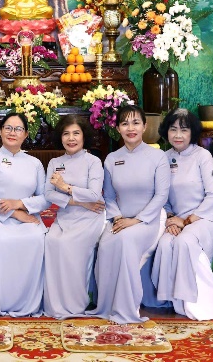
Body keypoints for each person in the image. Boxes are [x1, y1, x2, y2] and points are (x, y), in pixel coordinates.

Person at [88, 105, 170, 323]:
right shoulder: (111, 159)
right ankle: (105, 306)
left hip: (148, 221)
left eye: (135, 123)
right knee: (106, 244)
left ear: (144, 126)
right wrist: (117, 217)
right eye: (125, 123)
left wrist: (136, 220)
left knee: (125, 241)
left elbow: (161, 195)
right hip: (120, 220)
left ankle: (127, 309)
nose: (130, 128)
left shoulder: (158, 157)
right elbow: (109, 196)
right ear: (118, 129)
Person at [151, 108, 213, 320]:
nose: (178, 135)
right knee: (165, 243)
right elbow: (162, 196)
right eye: (173, 129)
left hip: (207, 214)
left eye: (184, 130)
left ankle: (193, 300)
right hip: (178, 218)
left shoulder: (202, 156)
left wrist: (186, 221)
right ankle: (173, 300)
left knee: (184, 242)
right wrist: (170, 219)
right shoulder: (164, 158)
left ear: (192, 132)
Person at [0, 112, 48, 316]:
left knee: (37, 238)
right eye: (8, 128)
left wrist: (21, 204)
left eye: (18, 129)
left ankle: (29, 302)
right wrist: (14, 213)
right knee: (1, 241)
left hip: (27, 215)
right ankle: (0, 302)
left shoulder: (34, 163)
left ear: (26, 134)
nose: (12, 132)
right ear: (0, 131)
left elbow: (45, 198)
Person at [43, 115, 106, 319]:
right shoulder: (55, 162)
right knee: (52, 241)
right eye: (66, 134)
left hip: (90, 217)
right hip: (65, 216)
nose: (71, 138)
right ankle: (55, 304)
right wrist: (78, 201)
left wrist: (65, 187)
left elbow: (94, 195)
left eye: (76, 133)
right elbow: (48, 194)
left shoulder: (93, 161)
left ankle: (77, 304)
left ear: (84, 136)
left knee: (69, 245)